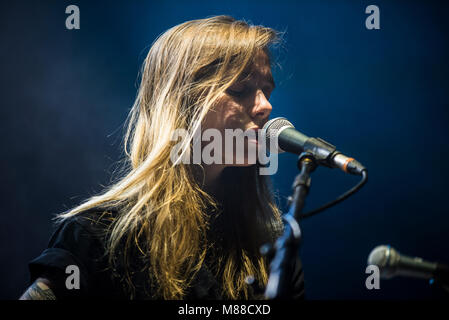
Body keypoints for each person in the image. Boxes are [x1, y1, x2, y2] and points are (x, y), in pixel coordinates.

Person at [20, 15, 304, 300]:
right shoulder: (98, 236)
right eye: (239, 89)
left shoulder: (271, 244)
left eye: (266, 91)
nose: (265, 106)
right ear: (181, 102)